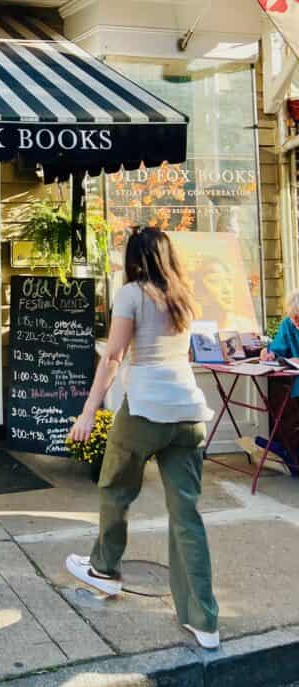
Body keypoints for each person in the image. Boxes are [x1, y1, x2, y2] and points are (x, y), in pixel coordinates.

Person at [65, 227, 220, 650]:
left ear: (135, 258)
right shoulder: (184, 295)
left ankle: (104, 569)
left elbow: (113, 356)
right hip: (189, 413)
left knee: (115, 487)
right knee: (186, 515)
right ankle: (204, 620)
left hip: (146, 408)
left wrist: (88, 411)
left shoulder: (132, 294)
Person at [261, 290, 299, 362]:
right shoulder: (287, 324)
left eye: (298, 316)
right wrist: (271, 354)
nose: (296, 321)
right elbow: (278, 348)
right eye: (293, 317)